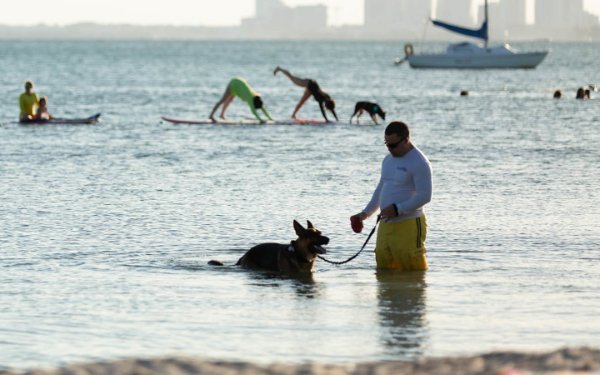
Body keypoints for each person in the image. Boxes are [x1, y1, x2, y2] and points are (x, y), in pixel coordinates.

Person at [351, 121, 432, 271]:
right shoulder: (388, 160)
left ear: (406, 139)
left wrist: (398, 209)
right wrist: (365, 214)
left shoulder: (419, 162)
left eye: (393, 145)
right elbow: (381, 189)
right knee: (383, 266)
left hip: (409, 224)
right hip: (386, 225)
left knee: (413, 271)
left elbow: (425, 196)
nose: (390, 149)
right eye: (386, 145)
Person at [273, 66, 338, 122]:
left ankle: (293, 115)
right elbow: (322, 110)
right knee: (292, 78)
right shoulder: (321, 99)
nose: (326, 109)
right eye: (327, 108)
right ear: (326, 105)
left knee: (301, 103)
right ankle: (279, 69)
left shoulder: (328, 98)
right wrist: (326, 120)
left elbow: (332, 109)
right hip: (309, 83)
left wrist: (336, 119)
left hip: (312, 88)